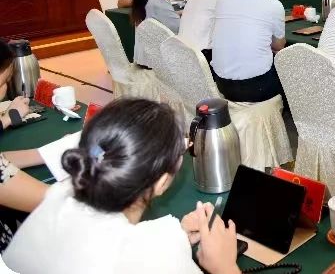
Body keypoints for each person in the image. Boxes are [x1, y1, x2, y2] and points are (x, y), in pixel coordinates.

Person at [3, 98, 241, 274]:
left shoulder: (59, 195)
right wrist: (224, 267)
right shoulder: (161, 259)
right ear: (160, 182)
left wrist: (178, 236)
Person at [212, 0, 285, 103]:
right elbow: (278, 46)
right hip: (256, 86)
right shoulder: (273, 4)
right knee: (290, 72)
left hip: (221, 83)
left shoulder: (221, 0)